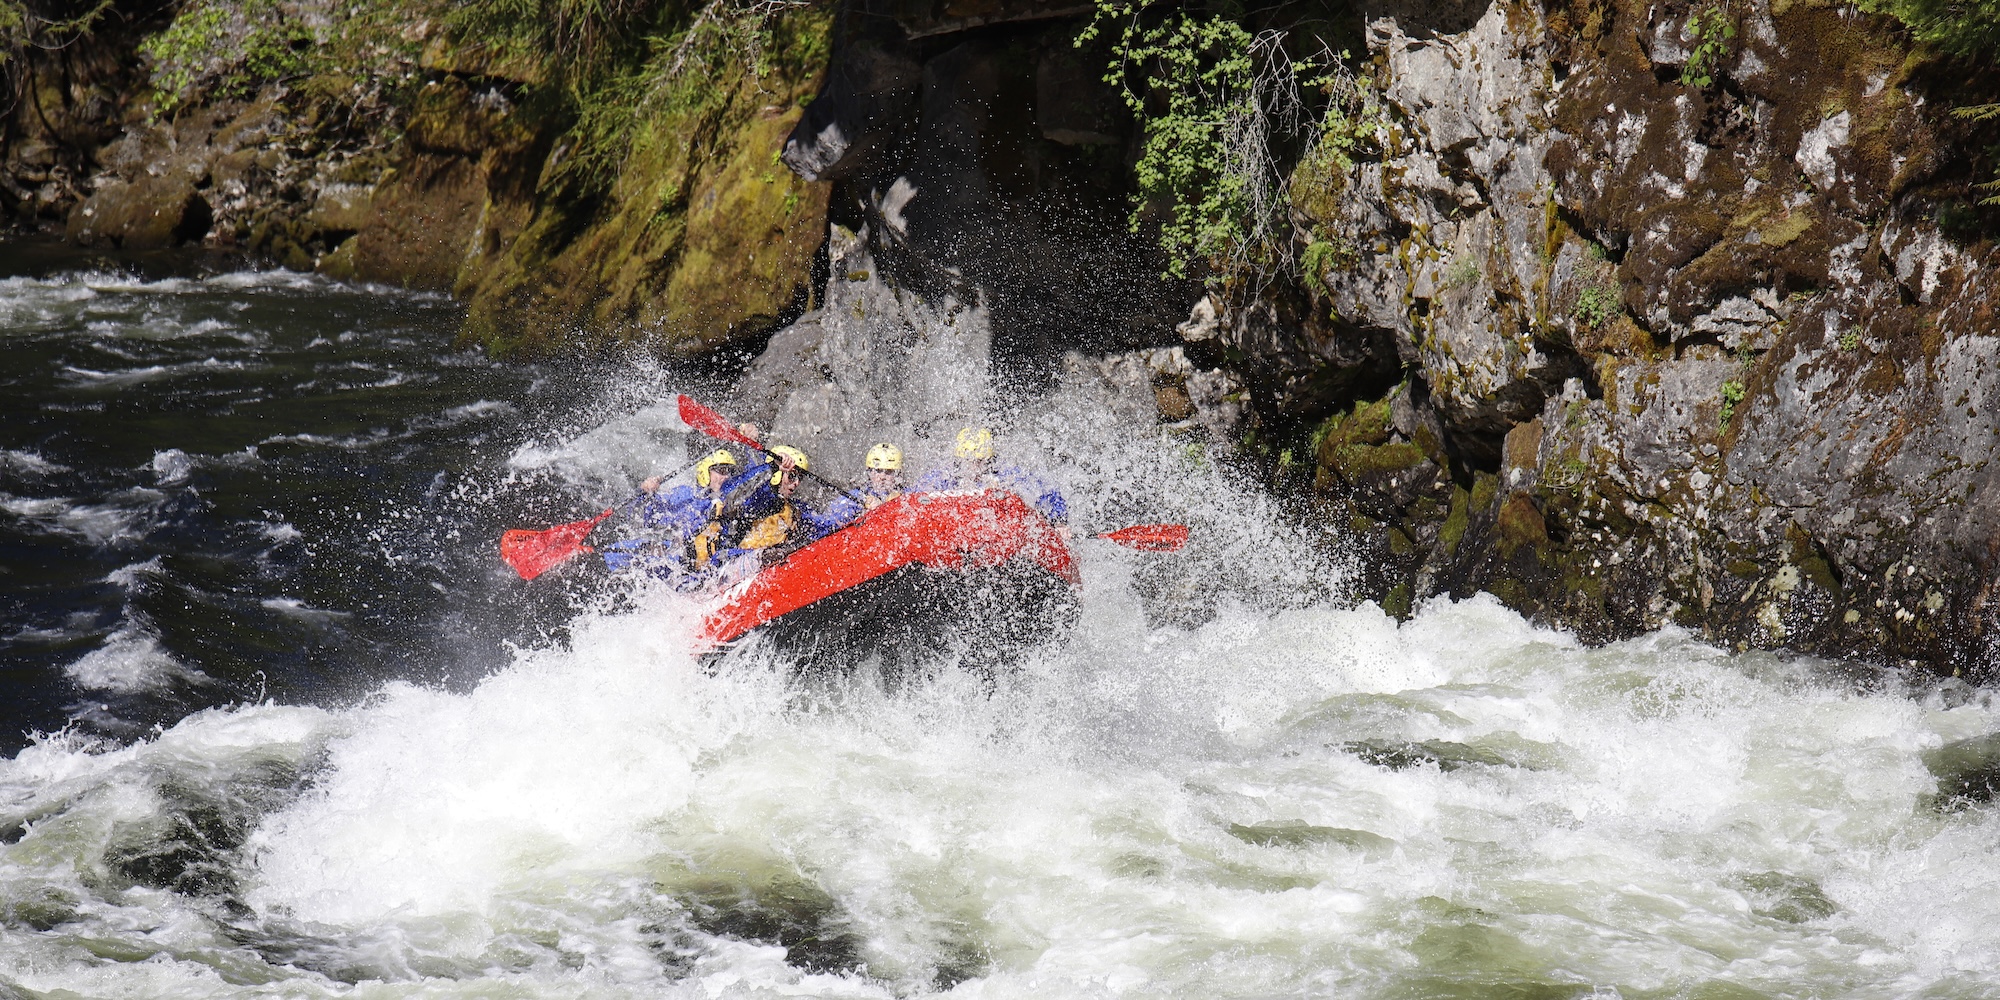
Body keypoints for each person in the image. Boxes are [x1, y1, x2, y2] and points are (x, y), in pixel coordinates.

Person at [912, 427, 1069, 528]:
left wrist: (1059, 521)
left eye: (979, 461)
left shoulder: (1006, 474)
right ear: (959, 460)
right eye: (968, 461)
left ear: (989, 460)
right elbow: (912, 496)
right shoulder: (944, 476)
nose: (973, 467)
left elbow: (1046, 491)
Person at [729, 445, 848, 564]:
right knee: (769, 555)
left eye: (799, 478)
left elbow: (823, 525)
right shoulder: (754, 500)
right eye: (791, 476)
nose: (796, 483)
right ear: (777, 474)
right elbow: (748, 491)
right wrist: (773, 467)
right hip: (738, 562)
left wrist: (852, 516)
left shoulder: (794, 509)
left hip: (770, 564)